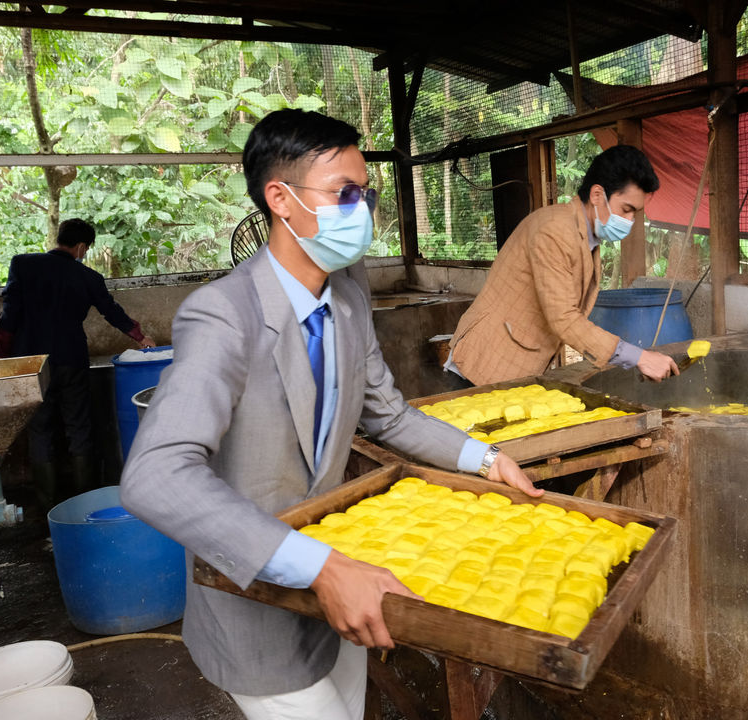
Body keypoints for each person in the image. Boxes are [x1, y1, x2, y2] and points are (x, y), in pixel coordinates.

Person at [119, 109, 542, 720]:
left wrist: (487, 459)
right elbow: (155, 475)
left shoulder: (347, 291)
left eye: (364, 193)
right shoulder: (222, 315)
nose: (361, 208)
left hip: (341, 593)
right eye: (344, 194)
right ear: (280, 199)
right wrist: (321, 567)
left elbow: (387, 415)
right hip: (257, 604)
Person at [445, 144, 680, 386]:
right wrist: (638, 356)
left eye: (635, 213)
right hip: (484, 363)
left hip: (512, 362)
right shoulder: (555, 230)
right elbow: (564, 318)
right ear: (597, 195)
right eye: (626, 210)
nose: (629, 221)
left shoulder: (585, 234)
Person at [0, 218, 155, 510]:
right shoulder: (88, 277)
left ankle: (47, 505)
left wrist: (1, 356)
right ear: (81, 246)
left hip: (33, 363)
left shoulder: (23, 265)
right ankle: (85, 501)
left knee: (40, 429)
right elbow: (111, 310)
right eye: (87, 249)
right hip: (71, 358)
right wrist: (140, 336)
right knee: (79, 426)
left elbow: (9, 314)